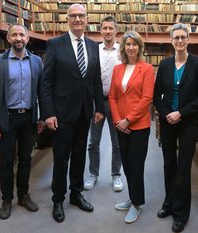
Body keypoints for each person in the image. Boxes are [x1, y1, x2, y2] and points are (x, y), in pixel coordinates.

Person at [40, 3, 104, 223]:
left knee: (79, 155)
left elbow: (95, 80)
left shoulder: (93, 46)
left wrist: (99, 108)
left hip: (85, 112)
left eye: (81, 16)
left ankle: (76, 194)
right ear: (67, 19)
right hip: (61, 114)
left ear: (87, 19)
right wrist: (48, 113)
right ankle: (58, 199)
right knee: (61, 157)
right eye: (73, 16)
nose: (78, 19)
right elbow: (46, 82)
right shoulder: (55, 44)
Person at [153, 23, 198, 232]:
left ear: (188, 39)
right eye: (176, 38)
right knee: (169, 164)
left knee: (183, 167)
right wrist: (167, 113)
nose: (179, 41)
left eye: (183, 37)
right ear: (171, 40)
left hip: (188, 122)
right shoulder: (165, 64)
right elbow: (156, 95)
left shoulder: (197, 63)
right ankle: (169, 203)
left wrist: (181, 113)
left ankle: (181, 213)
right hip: (168, 122)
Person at [0, 24, 44, 220]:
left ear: (27, 39)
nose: (18, 38)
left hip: (28, 118)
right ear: (8, 38)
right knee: (7, 161)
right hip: (6, 118)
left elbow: (42, 93)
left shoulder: (36, 62)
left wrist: (42, 116)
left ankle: (23, 196)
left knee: (26, 159)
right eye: (14, 35)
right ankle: (7, 198)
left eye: (22, 35)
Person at [108, 31, 155, 224]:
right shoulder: (118, 69)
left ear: (140, 47)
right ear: (124, 47)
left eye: (135, 44)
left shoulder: (147, 68)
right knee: (126, 165)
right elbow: (112, 96)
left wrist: (128, 119)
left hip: (139, 126)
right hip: (121, 125)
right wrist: (119, 120)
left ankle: (137, 204)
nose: (131, 47)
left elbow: (147, 98)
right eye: (128, 44)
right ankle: (132, 197)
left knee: (136, 166)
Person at [84, 15, 123, 192]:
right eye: (105, 28)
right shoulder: (93, 50)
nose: (108, 31)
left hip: (116, 103)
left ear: (116, 30)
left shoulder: (123, 50)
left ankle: (116, 175)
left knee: (117, 143)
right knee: (94, 141)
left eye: (111, 28)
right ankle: (93, 174)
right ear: (101, 31)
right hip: (96, 102)